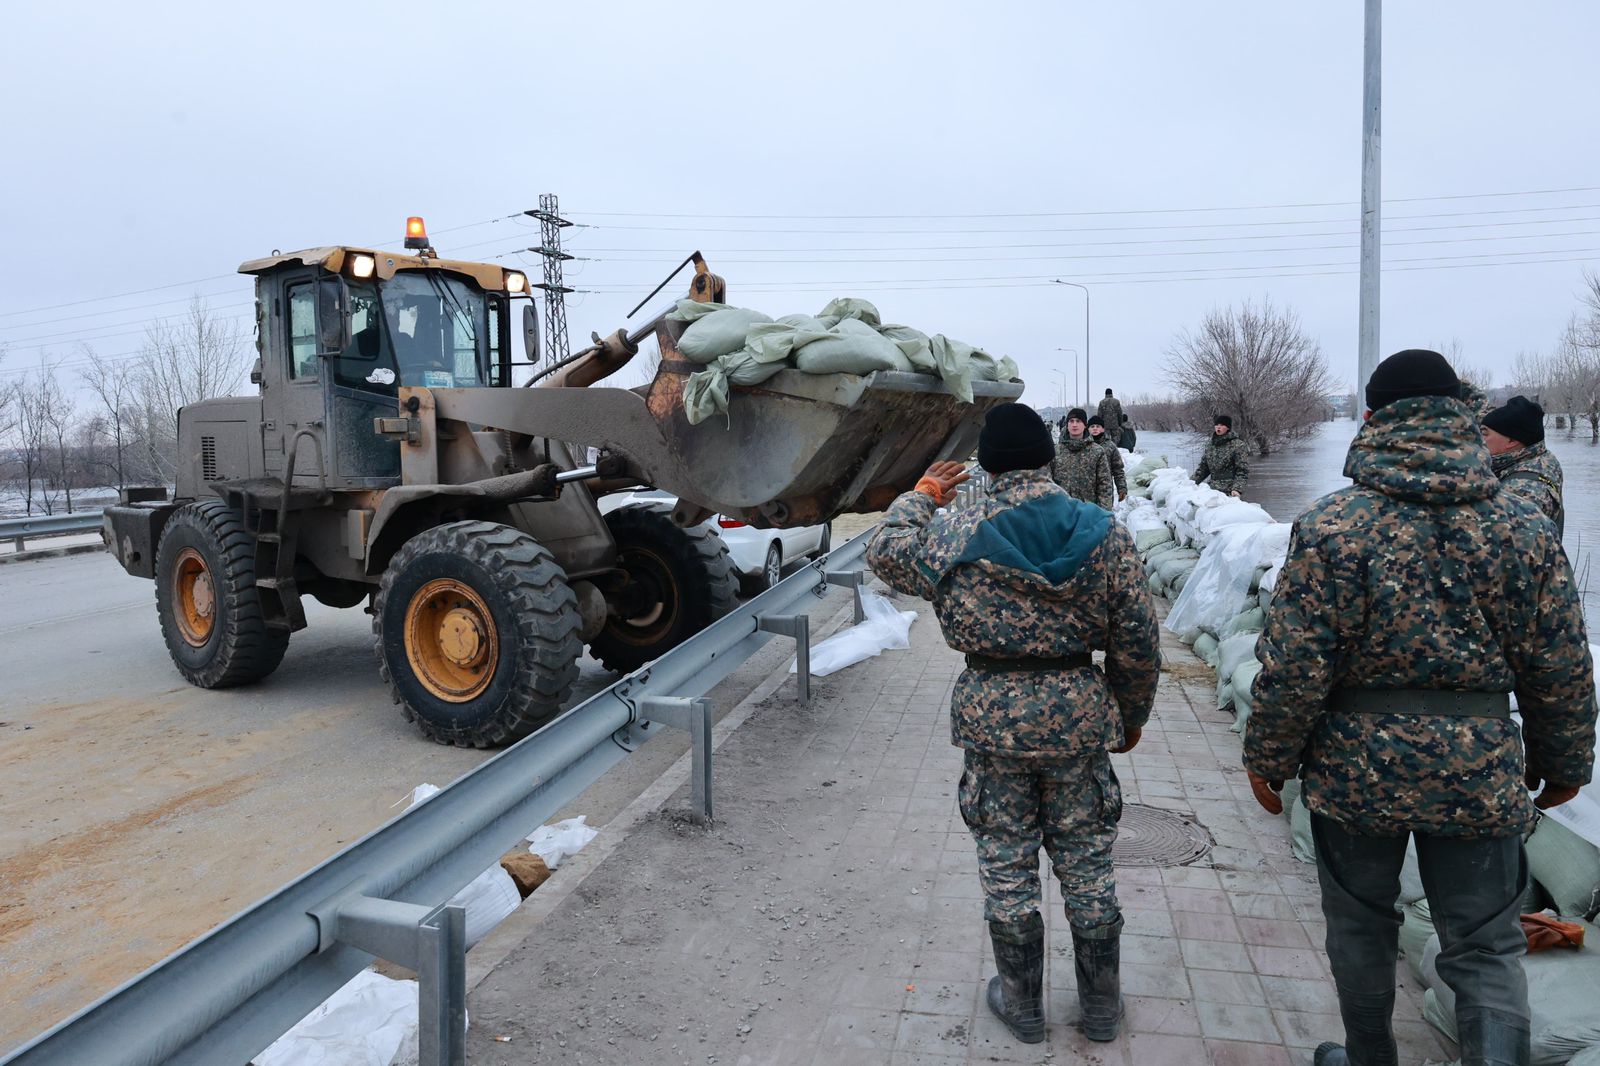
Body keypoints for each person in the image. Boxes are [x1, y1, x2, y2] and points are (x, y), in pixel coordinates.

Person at [1242, 348, 1595, 1066]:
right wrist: (1564, 762)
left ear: (1371, 419)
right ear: (1465, 418)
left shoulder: (1333, 525)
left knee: (1361, 927)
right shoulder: (1524, 527)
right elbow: (1560, 663)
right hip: (1479, 771)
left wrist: (1269, 757)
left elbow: (1294, 665)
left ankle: (1369, 1057)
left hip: (1353, 771)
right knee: (1486, 946)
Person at [866, 402, 1160, 1045]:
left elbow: (886, 556)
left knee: (1006, 860)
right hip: (1079, 719)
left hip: (992, 720)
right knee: (1086, 860)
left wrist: (920, 497)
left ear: (988, 465)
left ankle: (1025, 1009)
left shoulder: (954, 528)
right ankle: (1101, 1008)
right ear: (1049, 458)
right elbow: (1139, 638)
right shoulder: (1101, 528)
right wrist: (1128, 716)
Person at [1482, 395, 1564, 537]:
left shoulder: (1521, 492)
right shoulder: (1543, 458)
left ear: (1512, 441)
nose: (1479, 439)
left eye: (1484, 433)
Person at [1051, 408, 1114, 510]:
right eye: (1071, 421)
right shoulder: (1055, 451)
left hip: (1088, 512)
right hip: (1061, 511)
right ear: (1067, 425)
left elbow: (1104, 485)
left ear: (1085, 425)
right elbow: (1048, 483)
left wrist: (1103, 514)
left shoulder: (1097, 452)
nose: (1074, 425)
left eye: (1078, 421)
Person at [1192, 414, 1248, 497]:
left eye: (1222, 425)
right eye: (1217, 425)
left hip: (1229, 491)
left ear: (1228, 427)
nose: (1218, 427)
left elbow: (1242, 471)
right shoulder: (1210, 445)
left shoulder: (1238, 445)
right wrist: (1190, 483)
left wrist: (1237, 489)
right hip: (1212, 490)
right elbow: (1203, 469)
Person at [1086, 415, 1127, 502]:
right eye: (1092, 426)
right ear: (1088, 429)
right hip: (1086, 490)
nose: (1095, 428)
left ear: (1103, 429)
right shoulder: (1083, 445)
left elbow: (1118, 469)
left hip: (1105, 489)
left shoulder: (1110, 446)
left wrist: (1122, 488)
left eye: (1098, 426)